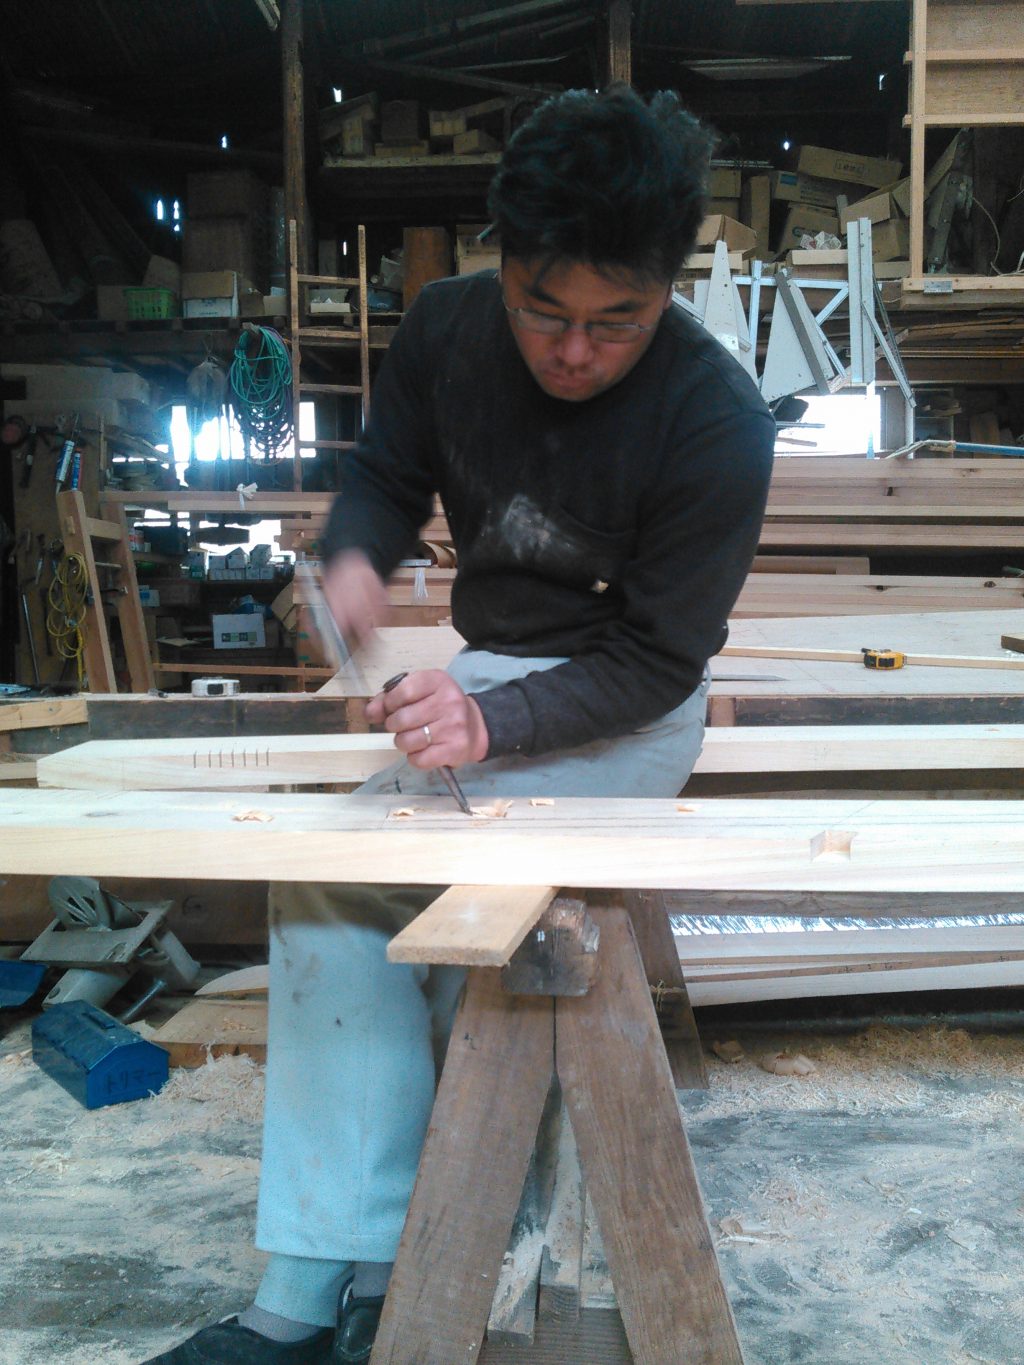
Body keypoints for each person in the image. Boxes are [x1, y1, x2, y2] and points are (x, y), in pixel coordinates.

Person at [144, 84, 775, 1365]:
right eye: (543, 309)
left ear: (669, 288)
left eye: (616, 321)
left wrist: (489, 726)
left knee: (436, 903)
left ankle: (398, 1261)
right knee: (328, 887)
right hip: (491, 676)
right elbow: (386, 473)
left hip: (627, 712)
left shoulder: (717, 419)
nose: (574, 351)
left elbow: (659, 658)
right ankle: (330, 1273)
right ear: (503, 261)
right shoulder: (444, 329)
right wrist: (356, 556)